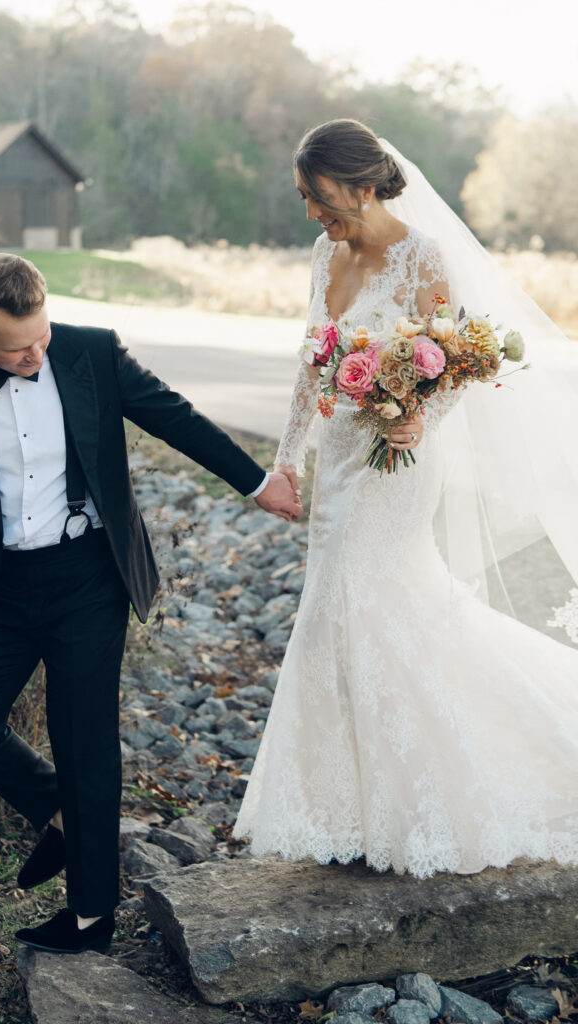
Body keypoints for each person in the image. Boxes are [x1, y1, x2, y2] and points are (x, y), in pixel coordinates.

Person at [0, 252, 301, 953]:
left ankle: (91, 919)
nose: (38, 356)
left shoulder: (91, 352)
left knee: (84, 742)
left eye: (42, 335)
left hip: (88, 577)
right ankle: (65, 814)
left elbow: (174, 417)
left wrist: (256, 484)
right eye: (18, 348)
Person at [233, 119, 578, 878]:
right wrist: (287, 460)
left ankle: (423, 797)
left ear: (362, 185)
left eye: (320, 198)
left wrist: (418, 415)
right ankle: (354, 803)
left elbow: (454, 364)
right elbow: (310, 359)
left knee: (355, 602)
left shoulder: (426, 255)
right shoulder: (325, 253)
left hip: (401, 459)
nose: (312, 214)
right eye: (302, 199)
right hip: (341, 463)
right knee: (358, 608)